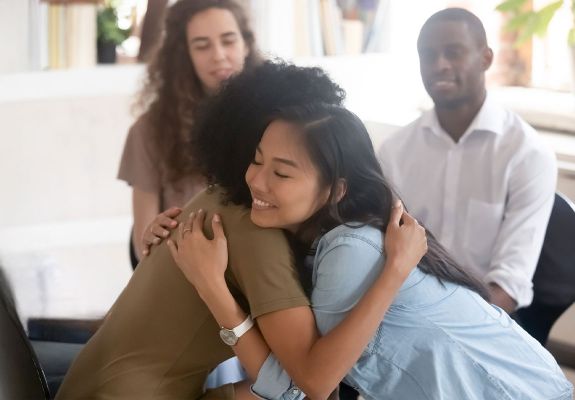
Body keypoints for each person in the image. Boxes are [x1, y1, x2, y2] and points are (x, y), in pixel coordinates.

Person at [161, 101, 573, 399]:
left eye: (282, 172)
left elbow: (307, 388)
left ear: (336, 189)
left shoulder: (351, 248)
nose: (257, 181)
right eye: (257, 161)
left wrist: (212, 286)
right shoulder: (318, 240)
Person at [57, 61, 400, 400]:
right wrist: (395, 271)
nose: (262, 179)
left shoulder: (222, 199)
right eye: (261, 160)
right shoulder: (254, 227)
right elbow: (312, 383)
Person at [378, 8, 557, 314]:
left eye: (454, 53)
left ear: (486, 58)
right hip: (407, 309)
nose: (439, 65)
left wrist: (452, 325)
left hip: (487, 316)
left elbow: (508, 286)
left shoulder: (527, 154)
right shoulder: (394, 150)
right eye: (428, 55)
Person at [117, 0, 261, 268]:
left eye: (228, 41)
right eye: (202, 45)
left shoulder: (276, 120)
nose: (218, 55)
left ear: (247, 44)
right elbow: (142, 246)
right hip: (183, 272)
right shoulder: (149, 131)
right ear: (185, 55)